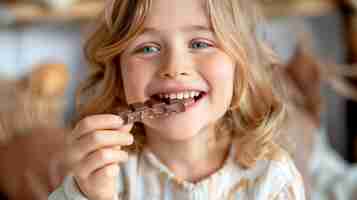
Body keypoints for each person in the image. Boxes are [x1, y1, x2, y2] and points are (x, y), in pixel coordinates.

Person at [49, 0, 306, 199]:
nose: (174, 67)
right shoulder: (103, 174)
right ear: (117, 73)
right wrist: (88, 196)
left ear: (239, 64)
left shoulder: (273, 179)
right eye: (148, 48)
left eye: (199, 43)